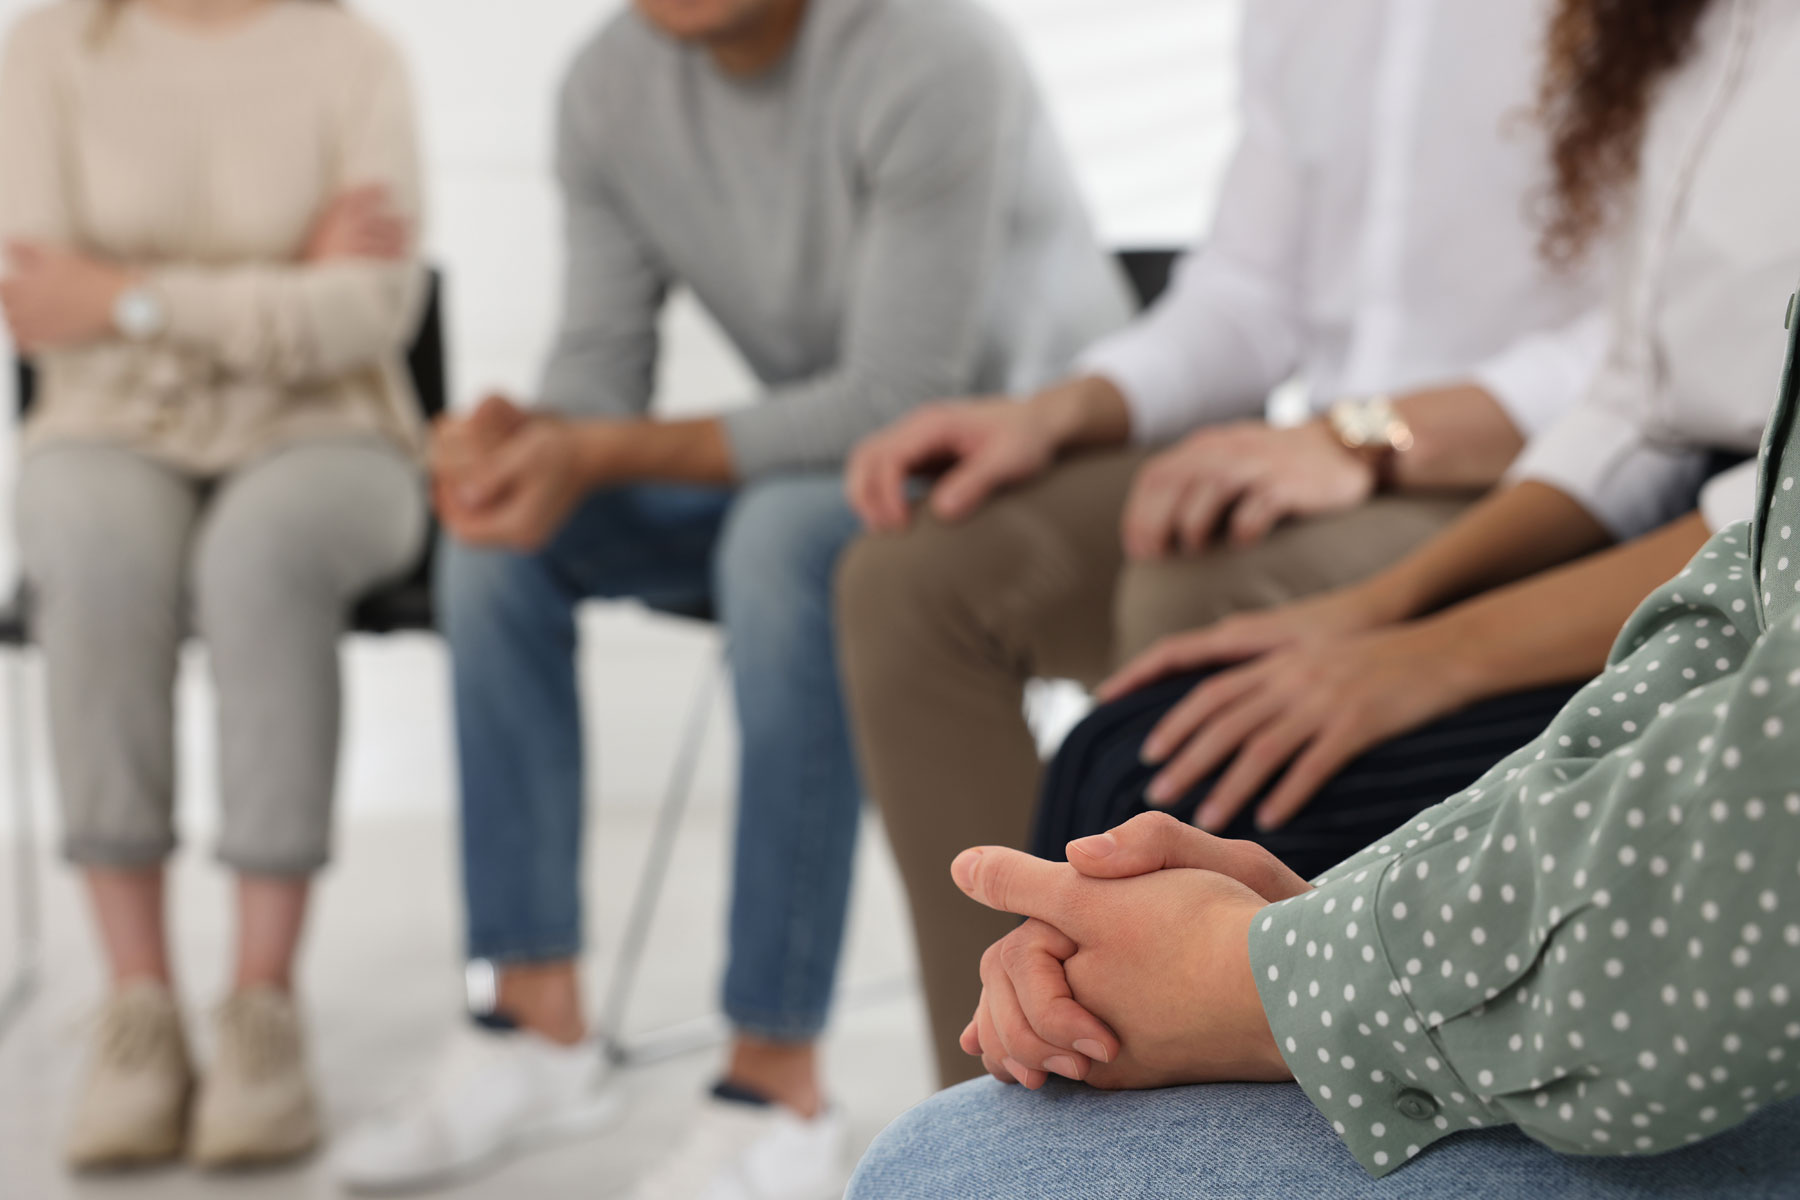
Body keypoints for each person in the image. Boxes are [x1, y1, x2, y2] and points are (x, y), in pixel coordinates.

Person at [328, 0, 1129, 1194]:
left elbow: (899, 397)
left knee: (780, 540)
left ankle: (775, 1081)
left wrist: (590, 452)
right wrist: (532, 443)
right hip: (835, 466)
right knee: (502, 539)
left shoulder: (932, 50)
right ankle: (533, 1017)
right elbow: (600, 374)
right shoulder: (609, 84)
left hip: (1028, 467)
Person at [835, 0, 1607, 1086]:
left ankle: (1221, 1087)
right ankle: (996, 1102)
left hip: (1536, 473)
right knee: (913, 576)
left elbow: (1676, 338)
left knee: (1197, 590)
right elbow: (1246, 294)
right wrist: (1060, 411)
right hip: (1324, 449)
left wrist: (1371, 436)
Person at [1030, 0, 1794, 907]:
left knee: (1164, 785)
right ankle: (1028, 1043)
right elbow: (1633, 404)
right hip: (1679, 519)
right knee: (1118, 743)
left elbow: (1769, 523)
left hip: (1764, 606)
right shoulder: (1690, 30)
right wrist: (1377, 611)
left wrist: (1433, 655)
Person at [0, 0, 427, 1171]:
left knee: (261, 554)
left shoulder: (355, 59)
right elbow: (39, 302)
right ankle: (137, 1013)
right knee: (88, 546)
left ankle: (261, 1015)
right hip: (105, 428)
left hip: (334, 436)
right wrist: (280, 280)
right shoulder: (48, 51)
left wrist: (131, 297)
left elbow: (368, 313)